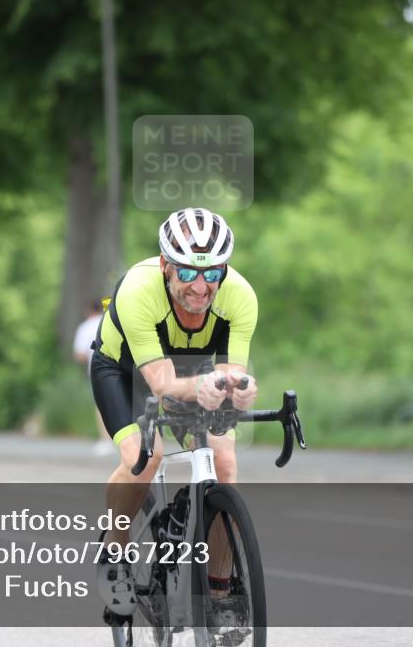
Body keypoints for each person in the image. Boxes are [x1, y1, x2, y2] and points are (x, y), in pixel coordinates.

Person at [90, 207, 258, 619]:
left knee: (225, 461)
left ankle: (220, 591)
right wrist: (207, 384)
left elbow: (231, 373)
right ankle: (114, 551)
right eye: (187, 273)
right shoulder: (137, 290)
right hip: (124, 369)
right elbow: (161, 384)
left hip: (189, 370)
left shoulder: (241, 296)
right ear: (166, 265)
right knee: (146, 457)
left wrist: (241, 388)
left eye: (212, 274)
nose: (201, 287)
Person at [72, 300, 111, 455]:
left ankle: (106, 440)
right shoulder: (111, 320)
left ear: (88, 311)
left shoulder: (86, 326)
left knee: (102, 405)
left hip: (99, 370)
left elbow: (80, 354)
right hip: (123, 367)